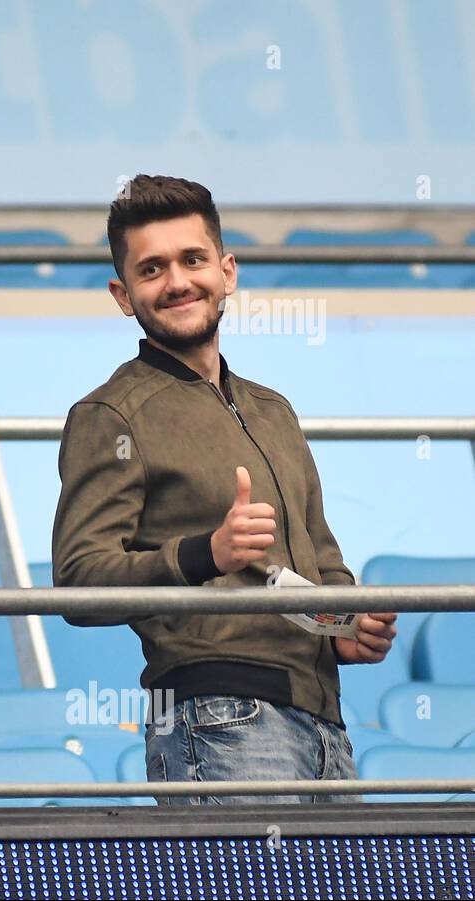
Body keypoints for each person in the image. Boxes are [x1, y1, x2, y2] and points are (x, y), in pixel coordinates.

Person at [51, 174, 397, 805]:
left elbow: (323, 564)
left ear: (227, 271)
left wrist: (346, 627)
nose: (178, 281)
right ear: (122, 295)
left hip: (325, 728)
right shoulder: (110, 415)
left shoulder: (275, 412)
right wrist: (205, 553)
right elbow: (78, 584)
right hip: (217, 719)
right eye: (151, 269)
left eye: (192, 259)